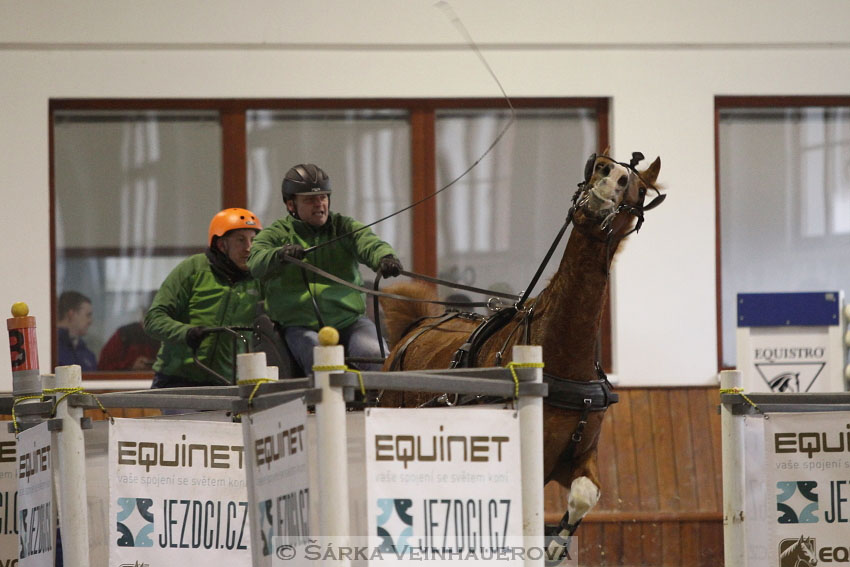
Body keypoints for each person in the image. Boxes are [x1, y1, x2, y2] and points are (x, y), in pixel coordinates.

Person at [248, 163, 403, 374]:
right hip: (300, 326)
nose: (319, 204)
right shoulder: (275, 234)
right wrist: (279, 255)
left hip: (350, 321)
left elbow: (368, 243)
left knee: (377, 356)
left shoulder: (344, 227)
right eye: (310, 199)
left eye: (323, 197)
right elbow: (255, 263)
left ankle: (381, 404)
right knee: (322, 361)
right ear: (291, 205)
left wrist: (385, 258)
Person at [144, 207, 263, 388]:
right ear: (221, 244)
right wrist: (186, 333)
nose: (249, 248)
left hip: (226, 383)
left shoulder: (260, 279)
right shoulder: (193, 269)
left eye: (253, 240)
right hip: (177, 379)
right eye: (240, 240)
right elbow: (154, 319)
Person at [56, 290, 97, 371]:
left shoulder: (87, 354)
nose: (90, 321)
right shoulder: (52, 349)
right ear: (71, 314)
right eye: (87, 315)